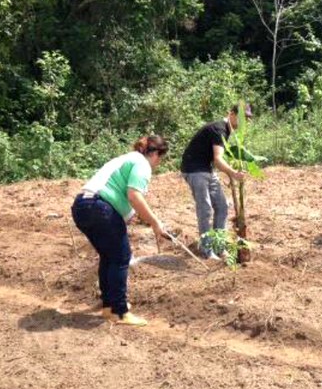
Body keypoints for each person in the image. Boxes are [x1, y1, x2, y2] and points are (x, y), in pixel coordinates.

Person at [71, 136, 169, 326]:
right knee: (121, 257)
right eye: (160, 158)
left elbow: (126, 198)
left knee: (109, 256)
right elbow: (134, 195)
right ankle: (119, 311)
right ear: (156, 153)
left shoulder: (127, 158)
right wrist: (156, 223)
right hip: (100, 207)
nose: (158, 164)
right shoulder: (142, 164)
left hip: (82, 206)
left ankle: (109, 306)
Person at [181, 104, 250, 259]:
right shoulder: (219, 129)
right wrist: (233, 173)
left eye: (246, 119)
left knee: (222, 206)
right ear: (231, 114)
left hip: (206, 168)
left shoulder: (226, 131)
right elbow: (218, 159)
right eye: (241, 117)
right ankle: (207, 250)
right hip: (194, 169)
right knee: (205, 209)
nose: (244, 122)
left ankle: (219, 247)